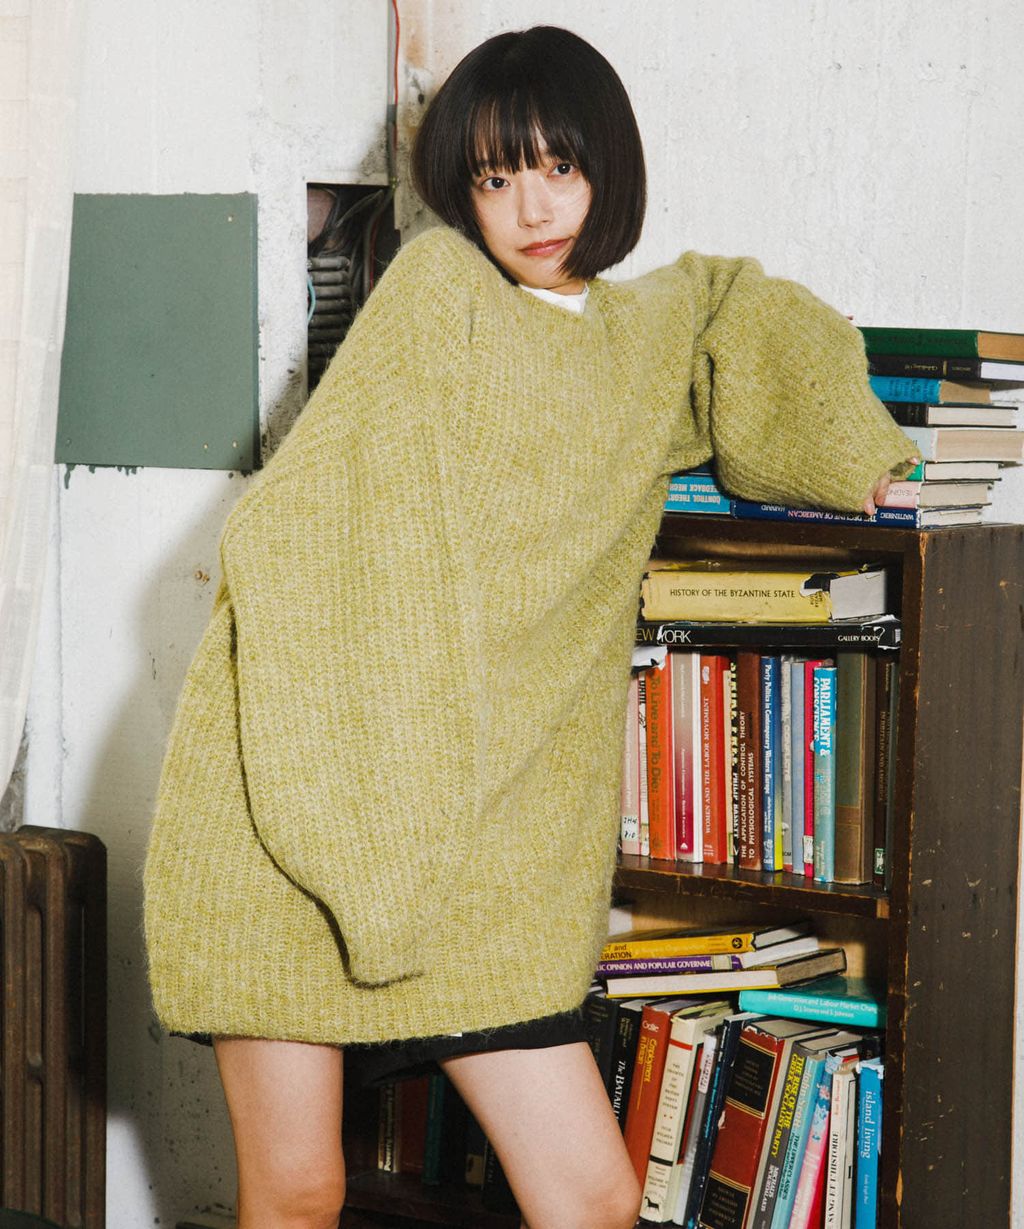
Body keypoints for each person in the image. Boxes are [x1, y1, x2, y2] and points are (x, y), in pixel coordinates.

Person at [143, 25, 916, 1229]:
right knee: (297, 1191)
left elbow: (750, 317)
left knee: (590, 1196)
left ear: (609, 165)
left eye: (558, 166)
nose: (533, 207)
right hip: (300, 811)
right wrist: (352, 808)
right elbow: (306, 530)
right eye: (495, 177)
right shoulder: (437, 292)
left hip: (498, 851)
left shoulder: (649, 334)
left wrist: (865, 459)